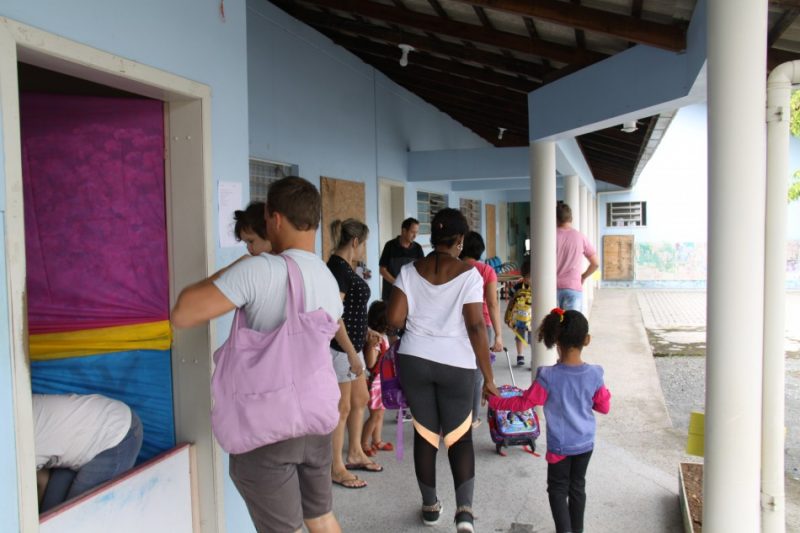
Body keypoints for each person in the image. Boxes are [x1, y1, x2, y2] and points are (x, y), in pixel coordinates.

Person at [171, 176, 345, 533]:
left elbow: (183, 312)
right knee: (321, 518)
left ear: (274, 217)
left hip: (270, 426)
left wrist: (241, 266)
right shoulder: (325, 275)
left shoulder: (260, 269)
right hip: (315, 422)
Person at [387, 208, 498, 533]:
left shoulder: (410, 270)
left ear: (433, 239)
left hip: (415, 360)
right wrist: (488, 378)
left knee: (425, 434)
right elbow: (477, 327)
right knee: (459, 436)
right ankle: (464, 513)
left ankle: (431, 507)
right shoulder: (470, 275)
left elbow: (394, 320)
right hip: (456, 363)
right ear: (460, 241)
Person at [487, 308, 611, 533]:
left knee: (557, 489)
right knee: (577, 487)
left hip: (560, 447)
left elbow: (524, 403)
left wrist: (495, 400)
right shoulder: (595, 374)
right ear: (587, 340)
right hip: (585, 444)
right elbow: (604, 406)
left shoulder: (549, 377)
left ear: (556, 340)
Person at [326, 219, 382, 489]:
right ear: (356, 242)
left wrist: (367, 329)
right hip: (341, 349)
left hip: (355, 345)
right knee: (343, 407)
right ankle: (336, 466)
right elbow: (335, 317)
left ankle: (355, 452)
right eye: (364, 243)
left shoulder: (347, 267)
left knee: (361, 398)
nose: (364, 249)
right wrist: (350, 353)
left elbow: (352, 311)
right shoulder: (336, 268)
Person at [34, 393, 143, 512]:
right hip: (83, 437)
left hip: (118, 434)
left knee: (71, 518)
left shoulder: (23, 452)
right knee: (49, 512)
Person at [459, 231, 503, 428]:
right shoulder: (486, 271)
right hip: (482, 323)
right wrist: (499, 335)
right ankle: (472, 417)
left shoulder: (454, 267)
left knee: (457, 369)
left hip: (457, 324)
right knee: (478, 371)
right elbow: (492, 304)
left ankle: (455, 416)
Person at [360, 300, 393, 456]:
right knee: (374, 416)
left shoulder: (383, 337)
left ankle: (377, 440)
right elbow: (371, 363)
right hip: (375, 383)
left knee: (380, 414)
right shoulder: (375, 339)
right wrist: (373, 346)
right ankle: (364, 443)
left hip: (383, 382)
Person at [556, 202, 599, 312]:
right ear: (571, 218)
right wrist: (583, 276)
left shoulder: (550, 237)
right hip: (573, 287)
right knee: (572, 326)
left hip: (552, 288)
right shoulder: (580, 237)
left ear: (556, 219)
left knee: (553, 326)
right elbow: (596, 264)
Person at [379, 217, 424, 301]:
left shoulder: (418, 248)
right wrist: (397, 283)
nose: (415, 236)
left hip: (410, 294)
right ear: (404, 231)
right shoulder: (390, 246)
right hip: (390, 294)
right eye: (412, 232)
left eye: (416, 233)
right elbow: (382, 270)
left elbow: (422, 271)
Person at [505, 259, 532, 367]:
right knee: (519, 336)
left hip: (531, 319)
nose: (531, 280)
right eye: (529, 277)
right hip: (519, 317)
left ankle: (533, 359)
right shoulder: (517, 287)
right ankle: (520, 355)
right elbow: (511, 299)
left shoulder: (539, 286)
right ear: (524, 276)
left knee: (532, 339)